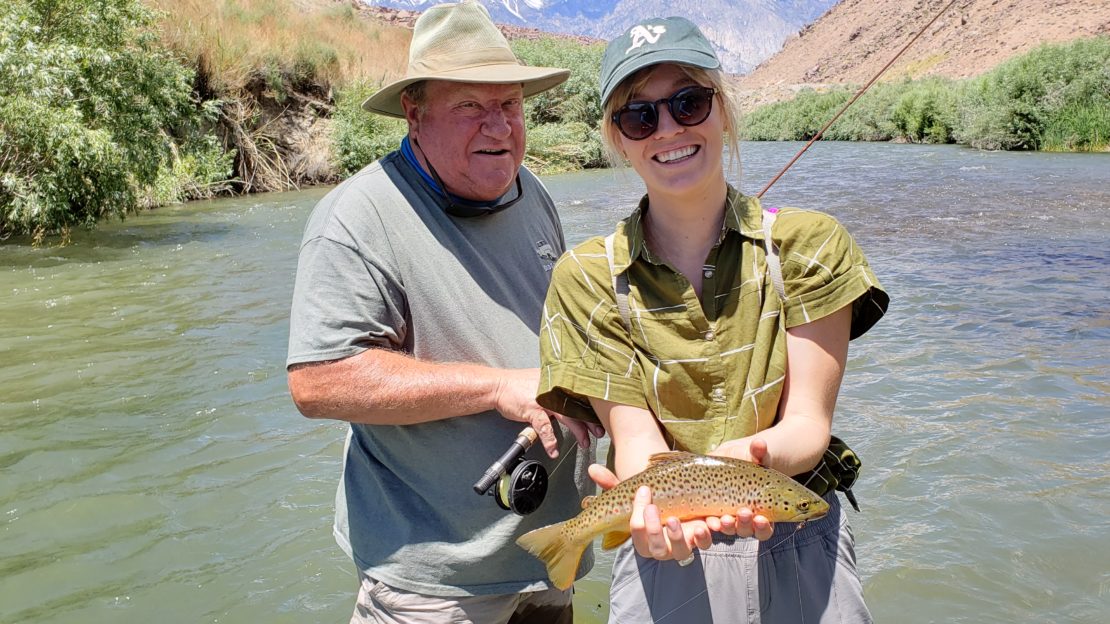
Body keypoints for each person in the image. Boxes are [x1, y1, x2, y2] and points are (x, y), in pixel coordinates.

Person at [536, 16, 890, 624]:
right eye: (639, 115)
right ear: (617, 138)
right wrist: (647, 520)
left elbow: (808, 424)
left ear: (722, 110)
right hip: (664, 552)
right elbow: (638, 445)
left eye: (688, 103)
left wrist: (747, 461)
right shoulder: (587, 278)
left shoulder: (810, 245)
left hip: (806, 545)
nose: (668, 128)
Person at [286, 2, 601, 622]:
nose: (499, 127)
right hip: (435, 586)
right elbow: (318, 382)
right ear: (414, 111)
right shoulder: (357, 219)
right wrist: (496, 387)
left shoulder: (530, 189)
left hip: (552, 555)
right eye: (469, 107)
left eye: (509, 105)